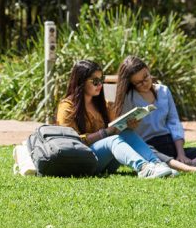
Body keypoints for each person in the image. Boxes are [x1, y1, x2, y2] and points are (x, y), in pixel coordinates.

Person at [56, 60, 187, 179]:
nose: (100, 84)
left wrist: (129, 125)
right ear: (81, 82)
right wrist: (105, 132)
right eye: (95, 81)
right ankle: (143, 168)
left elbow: (116, 130)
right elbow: (71, 143)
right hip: (81, 161)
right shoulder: (67, 107)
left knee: (126, 133)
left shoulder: (103, 104)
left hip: (104, 162)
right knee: (112, 140)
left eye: (101, 80)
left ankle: (157, 165)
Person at [113, 56, 196, 168]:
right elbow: (122, 132)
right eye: (138, 83)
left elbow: (174, 122)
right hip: (148, 149)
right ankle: (177, 165)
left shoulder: (163, 91)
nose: (144, 83)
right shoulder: (129, 97)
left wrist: (181, 154)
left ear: (148, 70)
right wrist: (130, 126)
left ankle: (191, 164)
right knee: (151, 155)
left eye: (146, 77)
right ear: (132, 84)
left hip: (171, 146)